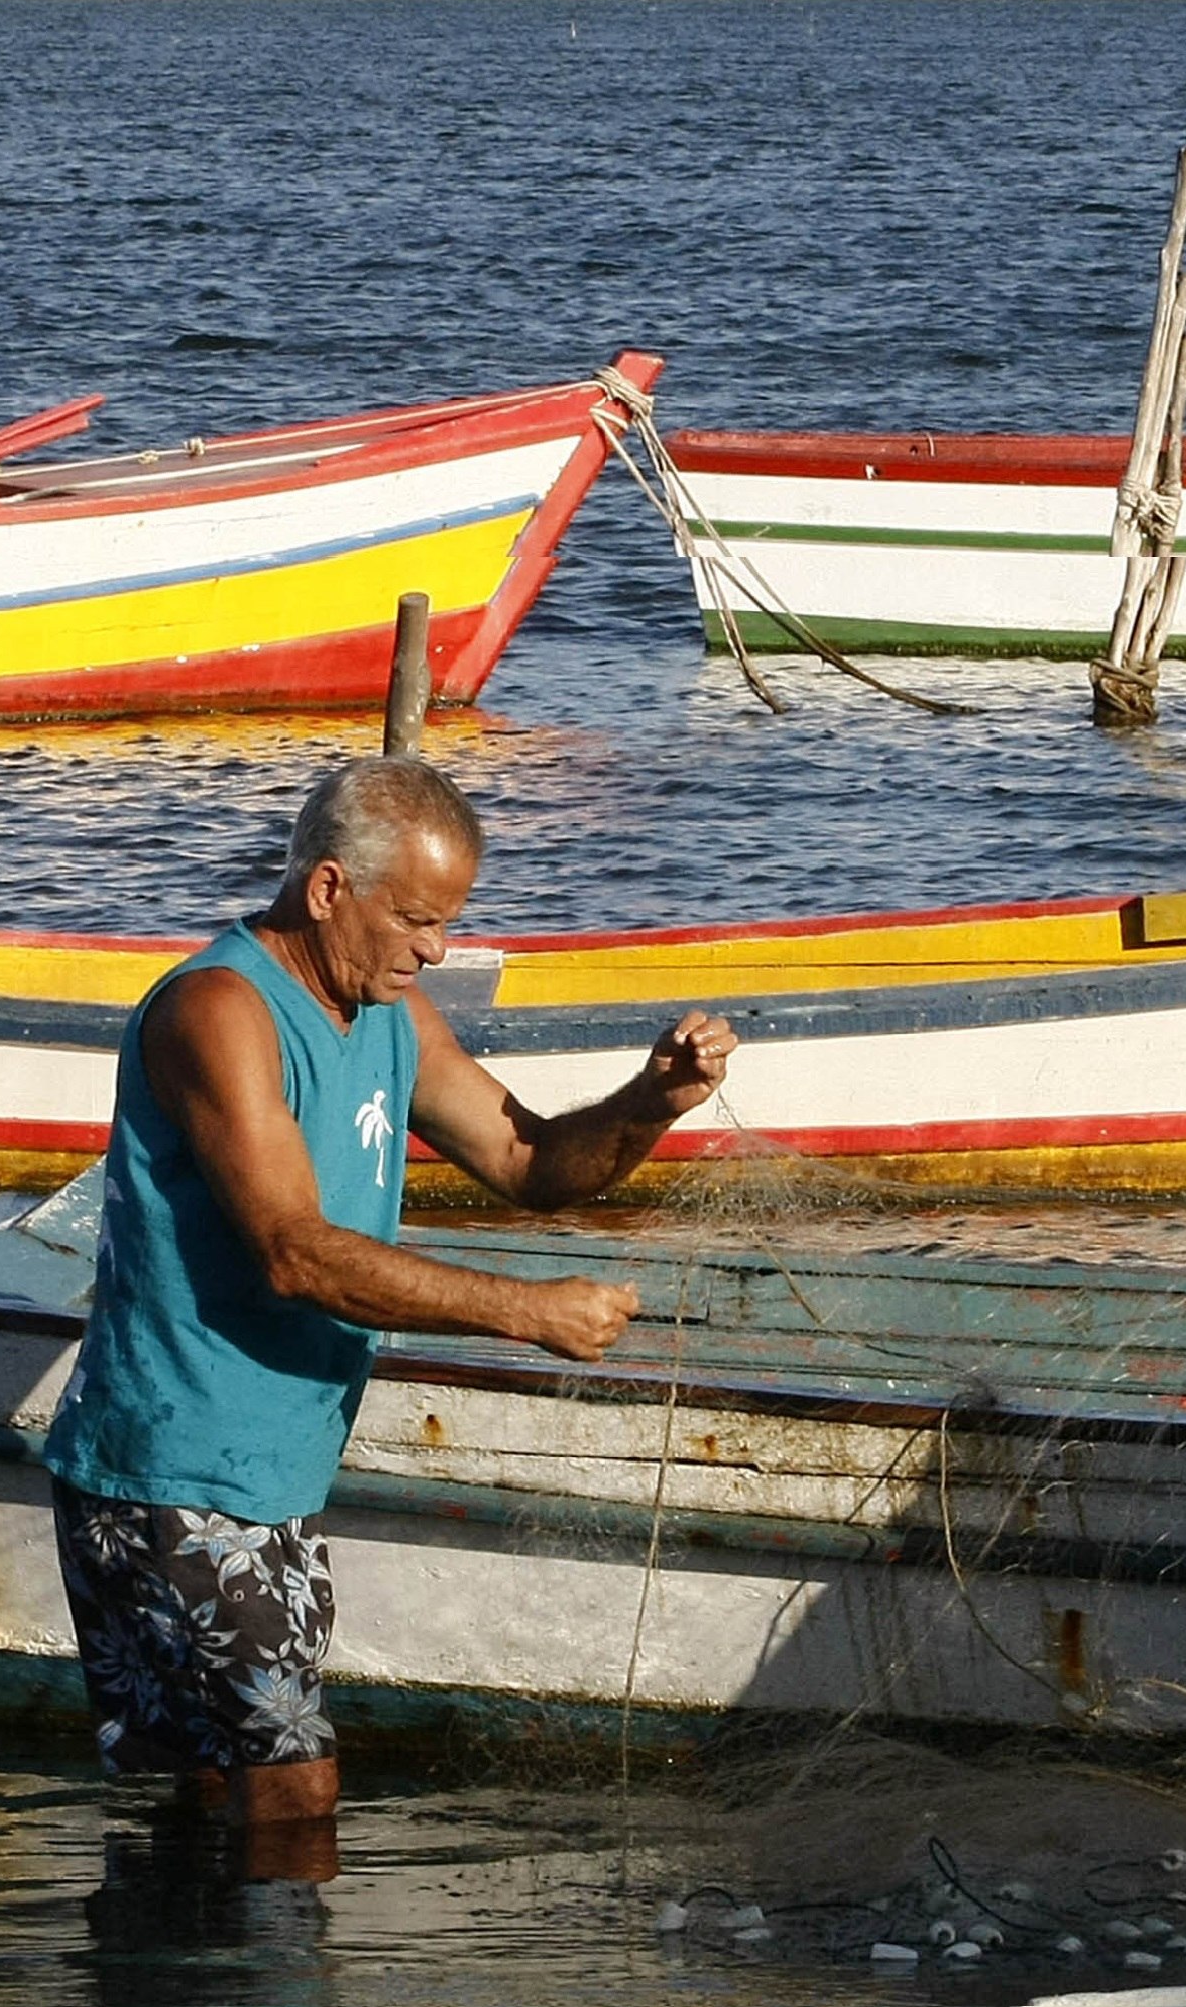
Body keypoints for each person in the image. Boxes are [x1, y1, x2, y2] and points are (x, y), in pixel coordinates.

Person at [41, 756, 736, 1852]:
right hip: (169, 1471)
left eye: (448, 921)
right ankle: (282, 1973)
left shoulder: (393, 1015)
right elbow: (294, 1253)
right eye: (415, 918)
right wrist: (526, 1311)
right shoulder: (218, 1011)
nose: (436, 949)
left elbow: (528, 1161)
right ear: (328, 888)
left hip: (273, 1471)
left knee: (216, 1794)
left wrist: (650, 1103)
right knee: (293, 1793)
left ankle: (188, 1964)